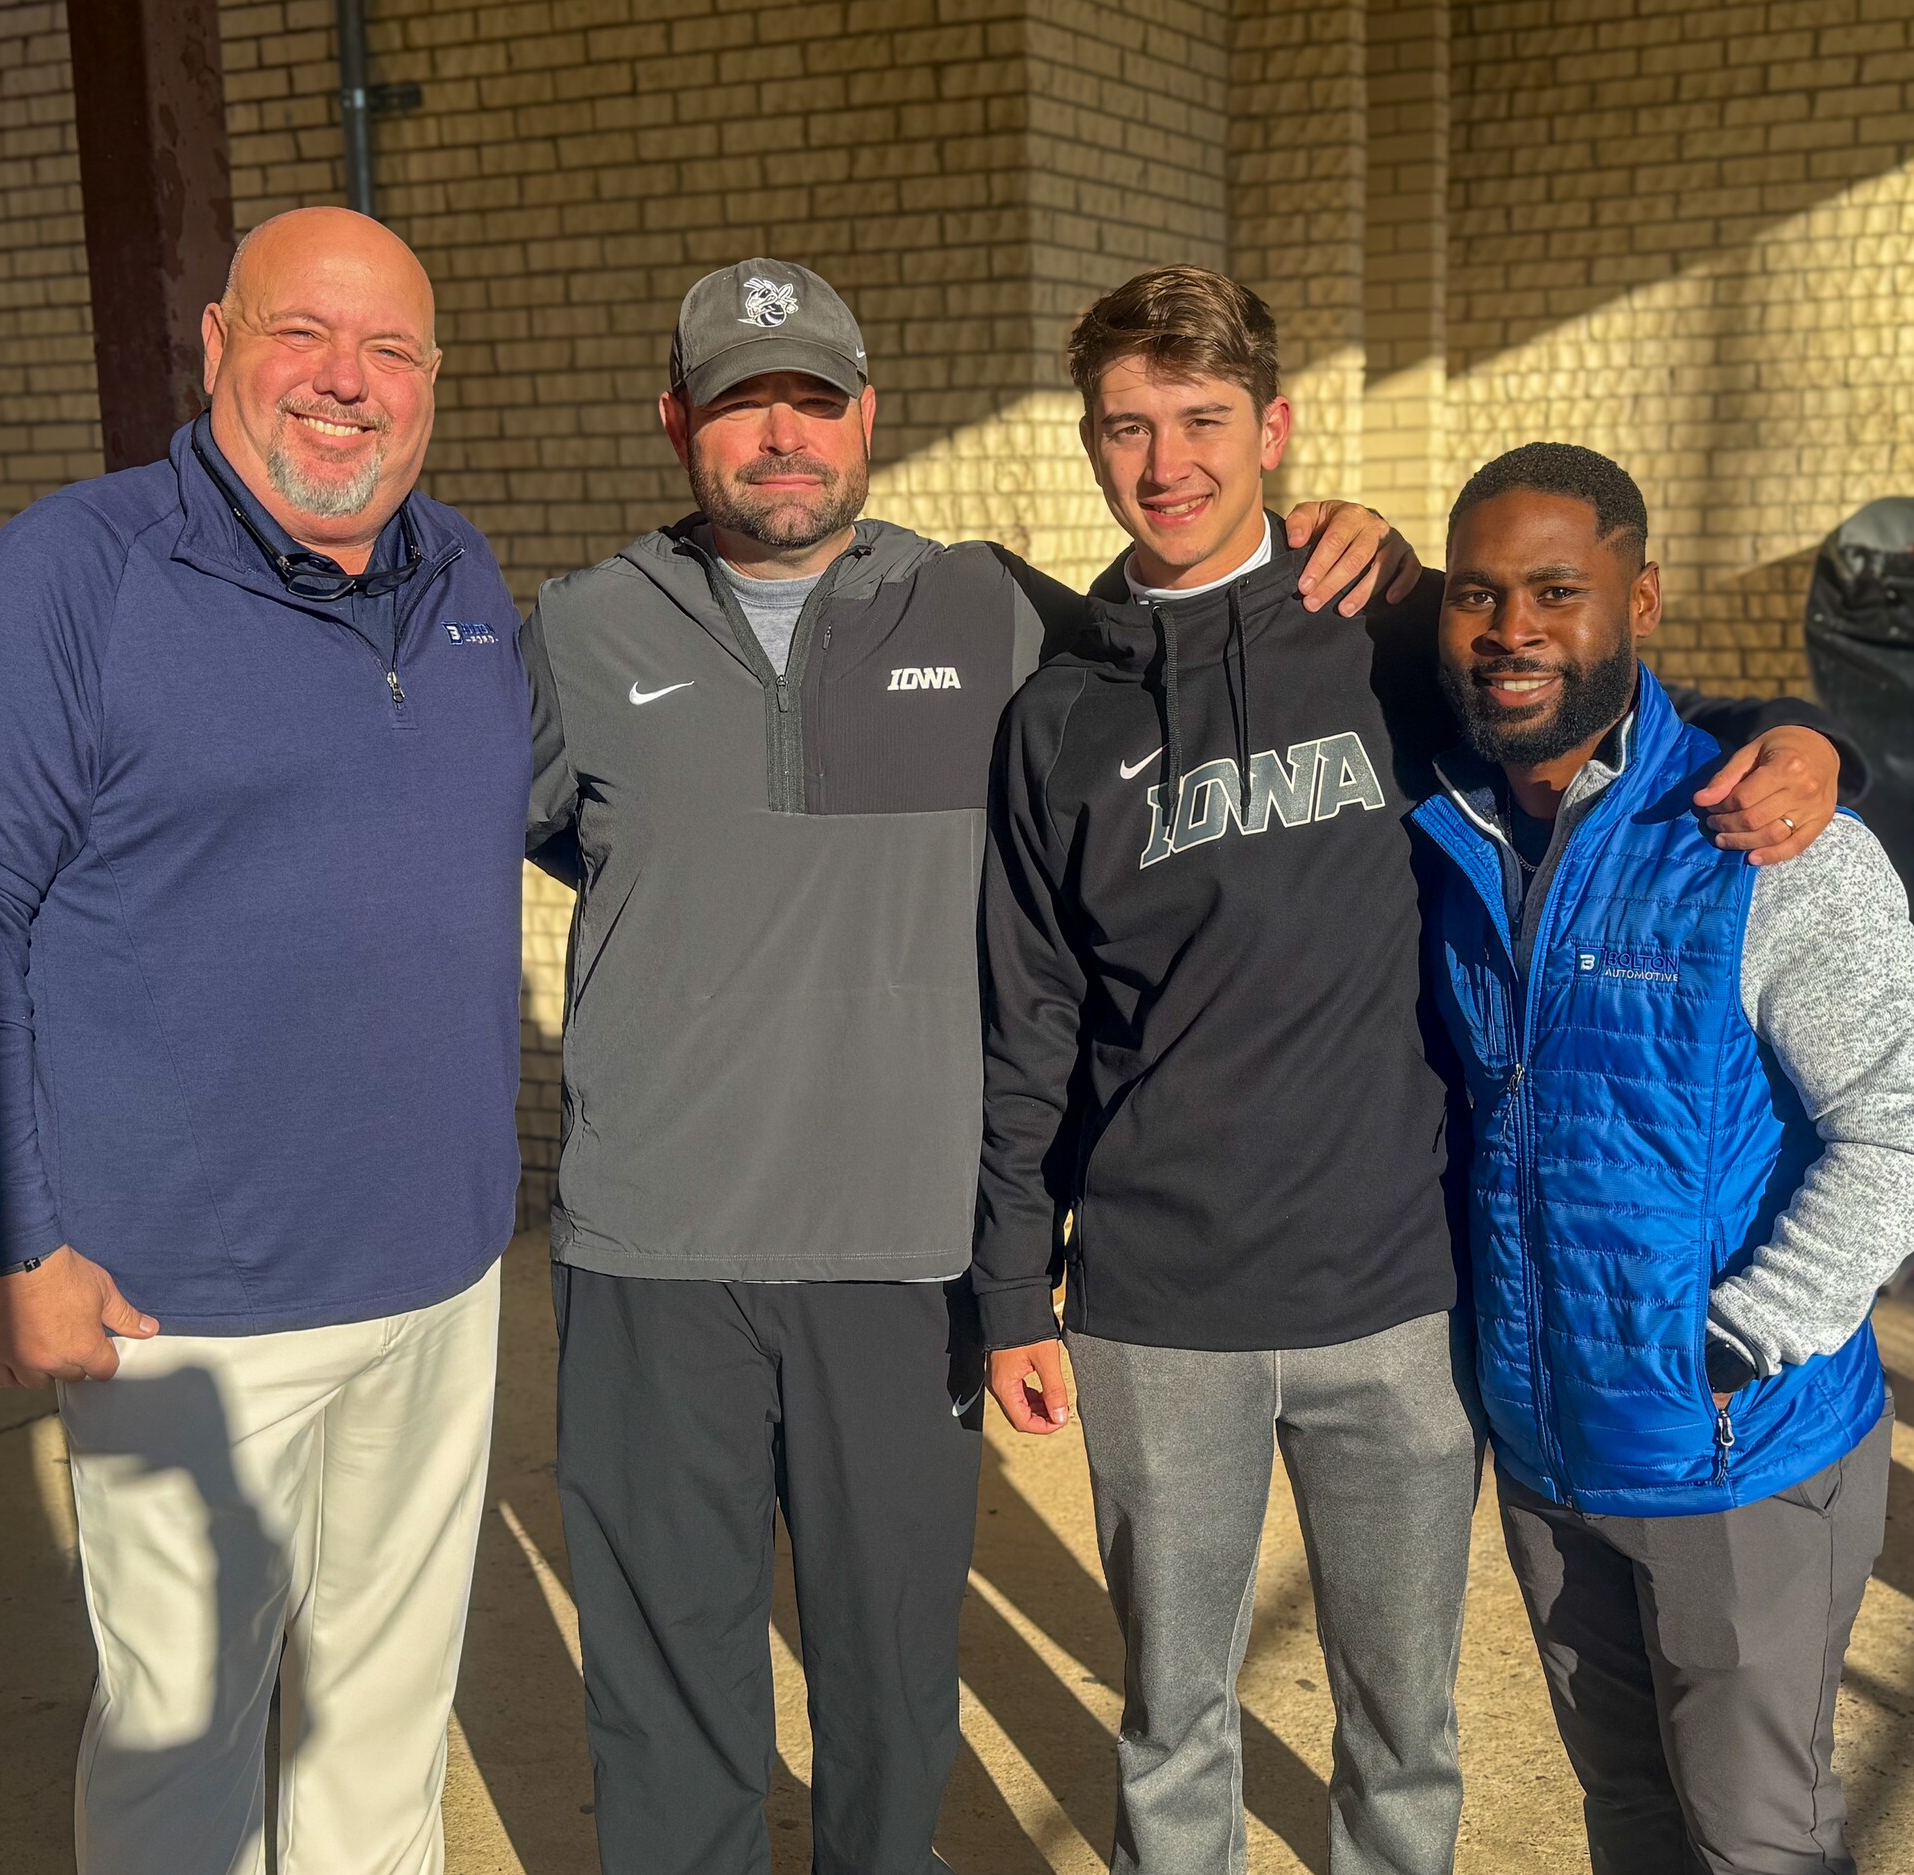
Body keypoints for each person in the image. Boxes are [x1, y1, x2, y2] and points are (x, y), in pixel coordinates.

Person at [520, 256, 1415, 1875]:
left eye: (812, 402)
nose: (781, 438)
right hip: (654, 1251)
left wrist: (1366, 553)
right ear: (675, 424)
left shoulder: (994, 612)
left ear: (869, 416)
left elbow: (1194, 632)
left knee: (889, 1699)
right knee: (664, 1703)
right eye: (740, 407)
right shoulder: (578, 632)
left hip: (901, 1256)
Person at [973, 269, 1854, 1875]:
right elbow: (1029, 1017)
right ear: (1090, 442)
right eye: (1127, 428)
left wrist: (1803, 732)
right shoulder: (1057, 721)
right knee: (1172, 1723)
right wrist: (1011, 1283)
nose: (1166, 464)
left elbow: (1599, 699)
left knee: (1404, 1731)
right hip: (1158, 1309)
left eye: (1202, 420)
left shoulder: (1389, 637)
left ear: (1274, 429)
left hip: (1399, 1301)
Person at [0, 208, 531, 1875]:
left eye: (390, 350)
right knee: (184, 1742)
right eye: (304, 333)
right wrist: (10, 1241)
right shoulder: (62, 584)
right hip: (188, 1309)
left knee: (386, 1724)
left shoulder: (462, 578)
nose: (346, 382)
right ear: (218, 340)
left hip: (439, 1275)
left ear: (435, 382)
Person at [1413, 443, 1914, 1873]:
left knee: (1755, 1841)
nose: (1513, 629)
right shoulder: (1451, 832)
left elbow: (1911, 1135)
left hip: (1734, 1457)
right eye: (1477, 594)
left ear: (1641, 601)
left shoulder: (1766, 843)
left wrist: (1743, 1338)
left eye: (1558, 591)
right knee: (1631, 1820)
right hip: (1550, 1453)